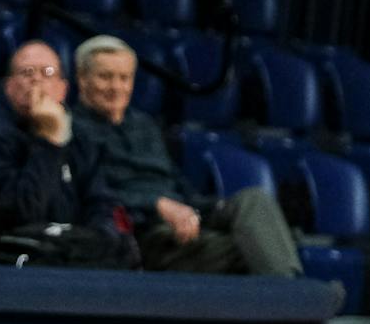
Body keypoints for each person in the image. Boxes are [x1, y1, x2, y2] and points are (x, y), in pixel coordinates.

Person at [73, 35, 302, 276]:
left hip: (183, 217)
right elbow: (91, 193)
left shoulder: (144, 124)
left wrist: (198, 209)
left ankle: (286, 286)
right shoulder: (74, 129)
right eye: (105, 77)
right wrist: (158, 205)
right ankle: (291, 291)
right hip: (142, 231)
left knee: (254, 200)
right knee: (256, 247)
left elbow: (174, 179)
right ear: (82, 79)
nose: (116, 87)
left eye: (124, 78)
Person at [0, 40, 124, 234]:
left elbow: (101, 201)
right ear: (9, 85)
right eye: (27, 72)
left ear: (63, 88)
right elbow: (19, 214)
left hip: (65, 245)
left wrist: (95, 238)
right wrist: (49, 142)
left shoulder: (79, 134)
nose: (37, 79)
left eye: (47, 72)